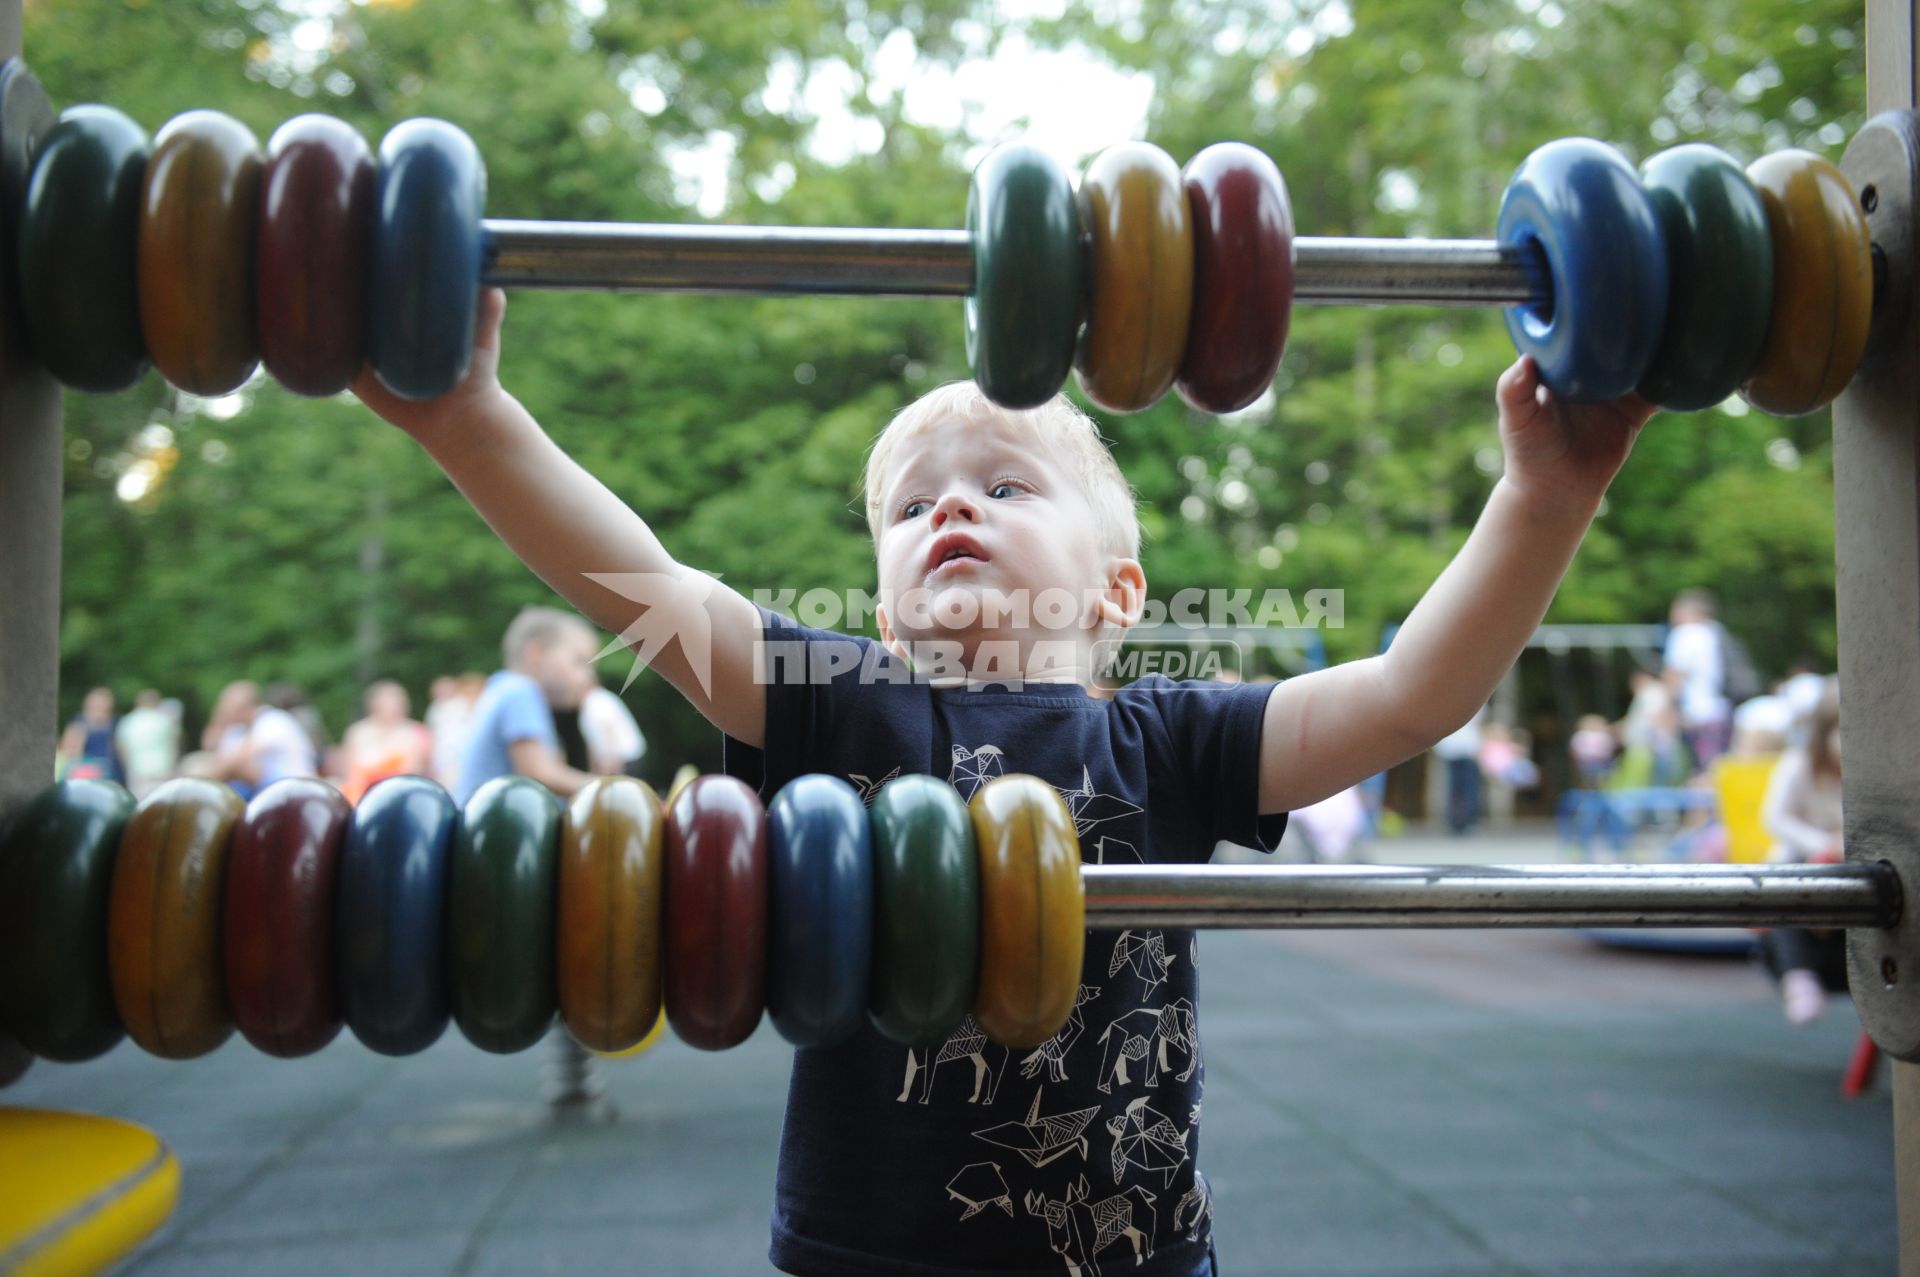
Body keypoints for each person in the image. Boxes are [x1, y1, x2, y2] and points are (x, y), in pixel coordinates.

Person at [353, 283, 1655, 1276]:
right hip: (873, 1244)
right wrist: (471, 420)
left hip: (1131, 1246)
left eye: (1004, 483)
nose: (950, 512)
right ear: (879, 593)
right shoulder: (847, 702)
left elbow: (1410, 695)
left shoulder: (1169, 741)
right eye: (910, 512)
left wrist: (1546, 494)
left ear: (1119, 591)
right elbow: (642, 593)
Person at [1758, 677, 1846, 1025]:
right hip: (1806, 863)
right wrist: (1823, 845)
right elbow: (1776, 818)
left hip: (1852, 871)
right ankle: (1798, 976)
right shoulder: (1799, 766)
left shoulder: (1873, 776)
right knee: (1785, 884)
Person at [452, 607, 599, 806]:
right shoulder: (521, 691)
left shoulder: (504, 689)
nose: (589, 677)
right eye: (579, 661)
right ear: (536, 654)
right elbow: (538, 773)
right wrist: (608, 788)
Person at [1662, 589, 1732, 771]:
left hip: (1697, 713)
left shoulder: (1686, 633)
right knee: (1716, 767)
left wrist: (1668, 709)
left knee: (1702, 772)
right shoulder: (1715, 631)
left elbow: (1675, 674)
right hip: (1720, 710)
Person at [339, 679, 433, 804]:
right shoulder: (357, 732)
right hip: (363, 796)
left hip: (404, 795)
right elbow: (350, 773)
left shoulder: (415, 731)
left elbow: (416, 771)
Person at [115, 688, 180, 798]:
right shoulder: (164, 719)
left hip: (138, 769)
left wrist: (127, 766)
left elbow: (122, 747)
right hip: (163, 768)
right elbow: (174, 742)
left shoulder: (128, 720)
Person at [1431, 705, 1484, 834]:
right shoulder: (1476, 698)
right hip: (1464, 749)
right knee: (1467, 787)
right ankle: (1464, 820)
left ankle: (1457, 821)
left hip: (1455, 749)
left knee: (1456, 787)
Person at [579, 683, 648, 777]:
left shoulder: (594, 702)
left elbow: (608, 731)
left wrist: (611, 764)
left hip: (622, 761)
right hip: (629, 758)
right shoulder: (603, 697)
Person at [57, 687, 124, 784]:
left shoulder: (114, 722)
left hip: (111, 770)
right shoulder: (79, 721)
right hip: (87, 770)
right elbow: (70, 749)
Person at [1569, 713, 1616, 786]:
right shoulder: (1600, 735)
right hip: (1600, 762)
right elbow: (1610, 747)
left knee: (1590, 780)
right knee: (1602, 779)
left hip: (1588, 763)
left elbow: (1575, 751)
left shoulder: (1581, 735)